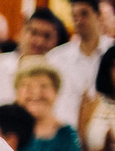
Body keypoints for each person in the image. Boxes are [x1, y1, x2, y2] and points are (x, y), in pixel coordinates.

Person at [0, 7, 62, 127]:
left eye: (47, 36)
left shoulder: (57, 75)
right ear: (21, 31)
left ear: (56, 41)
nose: (39, 41)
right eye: (34, 32)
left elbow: (64, 117)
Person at [49, 0, 114, 129]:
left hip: (105, 130)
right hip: (65, 129)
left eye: (84, 14)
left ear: (98, 16)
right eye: (74, 16)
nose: (79, 20)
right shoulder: (56, 58)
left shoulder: (112, 52)